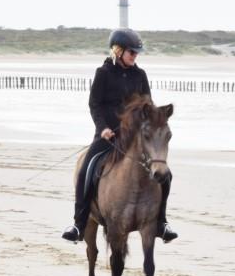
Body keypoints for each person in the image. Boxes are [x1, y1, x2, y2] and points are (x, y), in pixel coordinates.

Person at [62, 28, 177, 243]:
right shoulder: (103, 73)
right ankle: (78, 224)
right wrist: (103, 128)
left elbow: (148, 106)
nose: (135, 56)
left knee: (166, 175)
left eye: (136, 52)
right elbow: (95, 105)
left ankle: (161, 222)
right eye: (131, 52)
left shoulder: (140, 75)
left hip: (134, 138)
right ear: (118, 50)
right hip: (107, 136)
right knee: (86, 170)